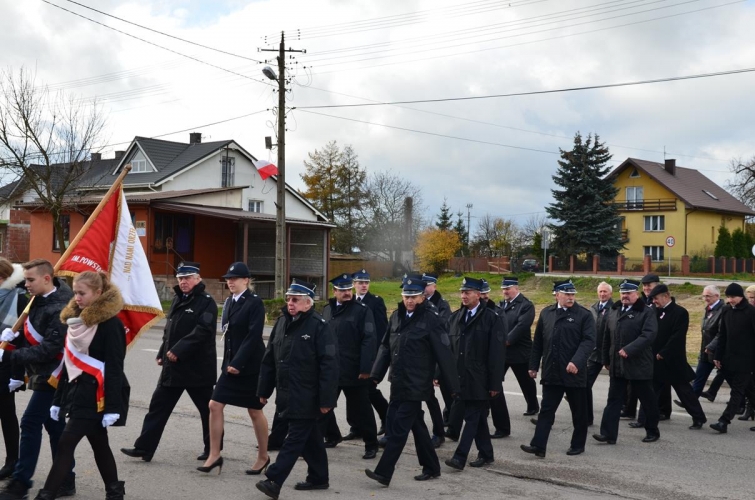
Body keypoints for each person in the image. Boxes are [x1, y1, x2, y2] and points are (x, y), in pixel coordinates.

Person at [32, 271, 127, 500]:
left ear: (98, 293)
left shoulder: (111, 324)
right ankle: (115, 492)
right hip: (76, 393)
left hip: (96, 396)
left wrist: (112, 407)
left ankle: (46, 495)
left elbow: (115, 367)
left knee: (65, 444)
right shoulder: (75, 322)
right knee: (100, 444)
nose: (77, 298)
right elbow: (68, 364)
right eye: (75, 292)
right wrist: (57, 401)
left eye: (82, 293)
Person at [365, 275, 459, 487]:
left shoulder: (432, 319)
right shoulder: (396, 316)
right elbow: (386, 346)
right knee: (417, 427)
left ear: (422, 297)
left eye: (414, 296)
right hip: (399, 381)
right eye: (406, 296)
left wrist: (453, 387)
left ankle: (384, 472)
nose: (409, 300)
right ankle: (432, 467)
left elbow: (444, 354)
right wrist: (375, 375)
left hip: (417, 384)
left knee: (398, 429)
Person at [121, 262, 218, 462]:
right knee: (158, 407)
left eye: (187, 278)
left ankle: (213, 449)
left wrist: (178, 350)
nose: (183, 282)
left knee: (207, 410)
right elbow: (169, 331)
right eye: (180, 278)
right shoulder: (177, 299)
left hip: (197, 369)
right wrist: (162, 352)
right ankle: (144, 448)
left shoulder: (206, 302)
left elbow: (203, 331)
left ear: (198, 279)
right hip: (173, 367)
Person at [255, 279, 338, 499]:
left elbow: (329, 365)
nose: (290, 303)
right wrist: (263, 390)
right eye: (288, 299)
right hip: (287, 392)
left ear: (308, 303)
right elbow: (269, 359)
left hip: (308, 394)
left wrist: (327, 400)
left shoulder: (319, 326)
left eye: (295, 300)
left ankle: (274, 479)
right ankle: (319, 478)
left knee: (294, 438)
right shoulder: (282, 322)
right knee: (310, 438)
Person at [0, 259, 75, 500]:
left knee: (30, 422)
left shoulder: (61, 307)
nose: (26, 284)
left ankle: (20, 483)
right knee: (54, 426)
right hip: (41, 373)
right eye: (25, 279)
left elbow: (49, 349)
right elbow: (31, 335)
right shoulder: (38, 300)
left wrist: (9, 355)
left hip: (56, 375)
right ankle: (66, 479)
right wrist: (14, 338)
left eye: (31, 280)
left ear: (47, 278)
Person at [198, 262, 269, 476]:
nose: (230, 282)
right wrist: (229, 363)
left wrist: (238, 363)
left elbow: (253, 336)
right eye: (228, 279)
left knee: (254, 410)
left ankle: (263, 456)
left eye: (235, 278)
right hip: (230, 365)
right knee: (214, 405)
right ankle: (214, 455)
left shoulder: (254, 303)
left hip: (250, 366)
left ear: (246, 280)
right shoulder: (229, 301)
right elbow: (228, 335)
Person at [521, 280, 595, 458]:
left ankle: (578, 445)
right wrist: (533, 365)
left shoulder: (583, 315)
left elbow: (589, 341)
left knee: (579, 412)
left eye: (572, 294)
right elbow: (538, 342)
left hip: (574, 373)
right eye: (567, 294)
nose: (571, 297)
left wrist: (576, 362)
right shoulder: (547, 313)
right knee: (546, 411)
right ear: (557, 295)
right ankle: (538, 446)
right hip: (552, 371)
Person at [444, 277, 504, 471]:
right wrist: (440, 373)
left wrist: (495, 384)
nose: (464, 296)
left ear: (478, 295)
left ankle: (459, 457)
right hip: (460, 377)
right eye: (462, 292)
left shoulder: (491, 318)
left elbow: (497, 354)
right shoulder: (455, 318)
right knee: (477, 420)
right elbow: (448, 350)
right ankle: (486, 453)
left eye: (468, 292)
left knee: (471, 417)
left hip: (480, 379)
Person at [629, 285, 706, 430]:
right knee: (650, 392)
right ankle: (642, 420)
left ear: (666, 296)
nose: (654, 301)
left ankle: (698, 418)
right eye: (652, 299)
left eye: (656, 298)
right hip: (656, 360)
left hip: (673, 360)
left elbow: (677, 336)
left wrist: (664, 352)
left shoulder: (680, 313)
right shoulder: (653, 311)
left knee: (685, 392)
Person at [593, 279, 660, 445]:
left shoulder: (646, 311)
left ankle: (652, 430)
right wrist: (606, 358)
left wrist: (629, 349)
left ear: (636, 294)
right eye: (623, 293)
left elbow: (649, 335)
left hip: (639, 364)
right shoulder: (614, 310)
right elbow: (606, 337)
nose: (625, 296)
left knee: (647, 400)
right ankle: (608, 434)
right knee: (613, 400)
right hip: (617, 364)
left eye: (628, 293)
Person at [320, 273, 378, 459]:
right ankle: (332, 436)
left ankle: (371, 444)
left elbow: (369, 340)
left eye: (348, 290)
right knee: (324, 404)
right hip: (331, 369)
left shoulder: (362, 311)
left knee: (362, 409)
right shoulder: (327, 310)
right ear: (334, 291)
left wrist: (366, 368)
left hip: (353, 370)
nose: (346, 293)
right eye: (342, 290)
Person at [490, 276, 538, 439]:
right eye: (503, 289)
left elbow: (522, 326)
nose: (505, 292)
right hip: (502, 352)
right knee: (494, 381)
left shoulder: (526, 305)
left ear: (516, 289)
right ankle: (490, 409)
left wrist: (507, 340)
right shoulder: (501, 304)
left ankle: (533, 405)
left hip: (519, 351)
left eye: (508, 289)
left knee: (525, 381)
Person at [710, 283, 755, 434]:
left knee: (737, 391)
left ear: (741, 296)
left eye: (733, 297)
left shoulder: (751, 312)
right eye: (728, 297)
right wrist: (717, 356)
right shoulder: (726, 310)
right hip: (728, 358)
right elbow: (722, 335)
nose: (730, 300)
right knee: (749, 390)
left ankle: (724, 421)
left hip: (746, 360)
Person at [349, 269, 389, 437]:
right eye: (360, 283)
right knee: (353, 392)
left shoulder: (376, 302)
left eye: (366, 282)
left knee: (369, 390)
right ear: (354, 285)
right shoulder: (350, 301)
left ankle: (386, 418)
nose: (364, 285)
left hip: (371, 354)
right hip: (352, 355)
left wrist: (377, 355)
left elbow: (382, 330)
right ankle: (356, 427)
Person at [0, 260, 28, 480]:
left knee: (6, 412)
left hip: (6, 363)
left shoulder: (20, 298)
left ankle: (12, 461)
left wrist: (17, 372)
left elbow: (24, 336)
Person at [587, 282, 613, 426]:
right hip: (594, 353)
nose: (602, 294)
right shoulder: (592, 308)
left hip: (609, 352)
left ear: (610, 293)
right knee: (585, 383)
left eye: (605, 292)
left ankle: (629, 408)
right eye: (600, 291)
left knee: (621, 386)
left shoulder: (614, 309)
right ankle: (587, 417)